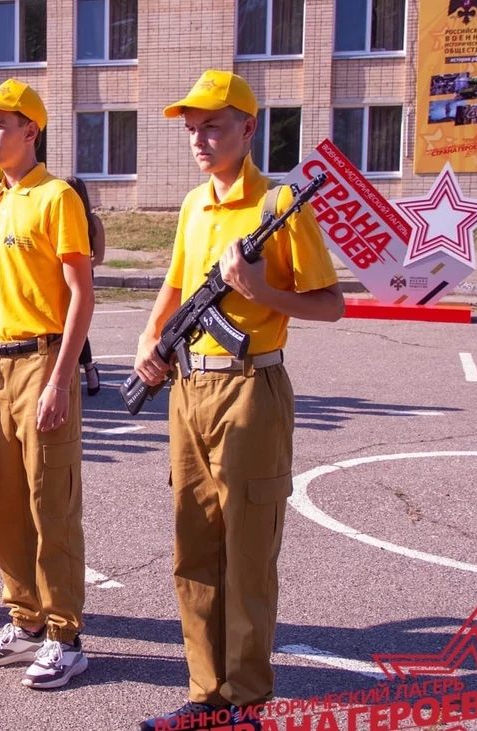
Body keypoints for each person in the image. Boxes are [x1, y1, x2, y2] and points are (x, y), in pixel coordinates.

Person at [132, 71, 344, 731]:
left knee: (247, 552)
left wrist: (258, 291)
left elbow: (331, 305)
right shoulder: (196, 205)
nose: (200, 138)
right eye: (193, 128)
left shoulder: (281, 203)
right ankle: (205, 695)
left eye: (215, 125)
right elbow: (175, 288)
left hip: (251, 386)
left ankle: (245, 701)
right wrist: (149, 339)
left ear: (249, 128)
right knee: (193, 551)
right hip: (189, 387)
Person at [0, 79, 94, 690]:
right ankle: (26, 617)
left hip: (41, 362)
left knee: (51, 504)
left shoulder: (57, 197)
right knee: (5, 503)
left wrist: (61, 380)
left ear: (29, 132)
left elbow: (81, 296)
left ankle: (66, 635)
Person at [63, 176, 104, 396]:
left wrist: (80, 266)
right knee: (65, 324)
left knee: (78, 325)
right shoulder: (62, 216)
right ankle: (83, 371)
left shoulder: (92, 221)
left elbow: (99, 255)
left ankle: (89, 371)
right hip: (62, 276)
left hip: (82, 276)